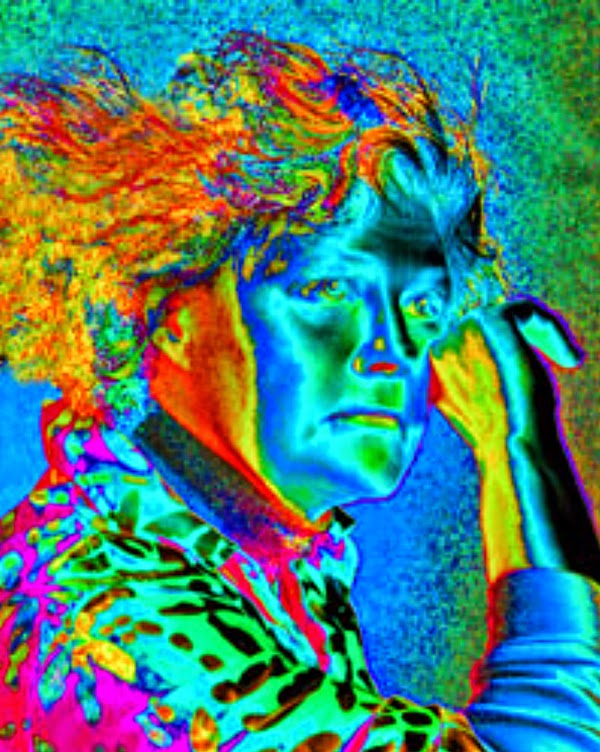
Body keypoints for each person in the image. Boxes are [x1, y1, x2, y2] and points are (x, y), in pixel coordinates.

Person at [0, 30, 598, 752]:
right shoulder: (110, 616)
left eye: (423, 308)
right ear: (164, 314)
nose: (395, 352)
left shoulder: (265, 552)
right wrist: (519, 446)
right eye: (326, 290)